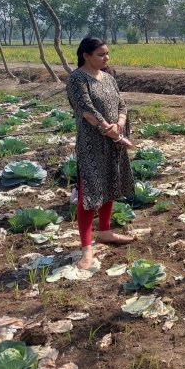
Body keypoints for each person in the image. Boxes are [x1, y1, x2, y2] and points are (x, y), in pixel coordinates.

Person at [66, 37, 135, 270]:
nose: (106, 58)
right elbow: (86, 110)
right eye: (101, 54)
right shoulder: (77, 79)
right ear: (86, 55)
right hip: (92, 143)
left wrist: (120, 124)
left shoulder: (108, 78)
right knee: (90, 192)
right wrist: (111, 130)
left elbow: (122, 105)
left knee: (110, 184)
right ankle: (86, 248)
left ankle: (104, 231)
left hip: (114, 140)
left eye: (107, 54)